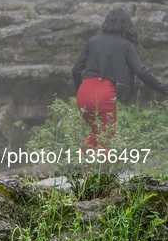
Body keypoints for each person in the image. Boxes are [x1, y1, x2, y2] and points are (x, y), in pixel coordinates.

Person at [72, 8, 168, 149]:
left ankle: (78, 167)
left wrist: (79, 91)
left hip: (83, 94)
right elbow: (141, 72)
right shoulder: (126, 46)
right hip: (103, 95)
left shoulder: (93, 41)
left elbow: (75, 70)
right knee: (105, 140)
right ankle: (96, 170)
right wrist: (164, 90)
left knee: (97, 135)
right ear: (127, 26)